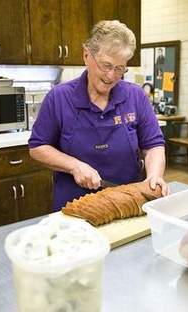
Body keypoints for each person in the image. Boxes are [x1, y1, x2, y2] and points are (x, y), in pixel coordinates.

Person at [29, 20, 168, 211]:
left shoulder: (135, 96)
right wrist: (74, 166)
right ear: (87, 55)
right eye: (106, 65)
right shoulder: (59, 97)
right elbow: (38, 147)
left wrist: (154, 175)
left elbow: (153, 145)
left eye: (120, 68)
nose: (111, 76)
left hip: (129, 200)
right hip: (75, 205)